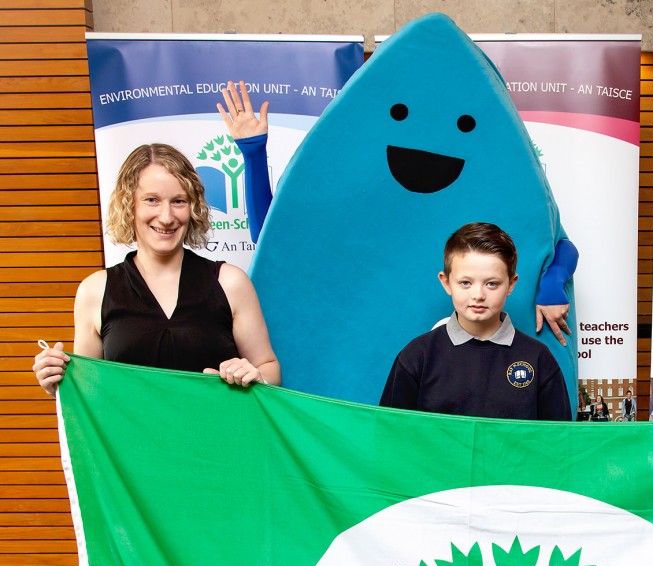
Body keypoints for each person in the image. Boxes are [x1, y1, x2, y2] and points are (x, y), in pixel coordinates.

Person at [216, 79, 578, 347]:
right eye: (401, 115)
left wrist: (552, 281)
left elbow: (557, 242)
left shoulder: (493, 188)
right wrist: (252, 151)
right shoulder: (353, 201)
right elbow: (272, 236)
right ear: (446, 280)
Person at [32, 144, 280, 395]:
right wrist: (59, 384)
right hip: (129, 436)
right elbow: (90, 392)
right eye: (152, 200)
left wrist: (256, 376)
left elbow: (269, 369)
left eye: (179, 201)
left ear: (193, 207)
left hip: (217, 432)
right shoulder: (95, 290)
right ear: (129, 205)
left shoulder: (230, 282)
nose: (166, 217)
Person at [379, 222, 571, 420]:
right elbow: (391, 435)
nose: (478, 295)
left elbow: (558, 442)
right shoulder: (417, 356)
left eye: (492, 284)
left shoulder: (538, 358)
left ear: (511, 284)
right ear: (446, 282)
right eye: (465, 283)